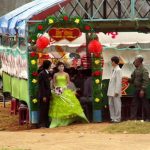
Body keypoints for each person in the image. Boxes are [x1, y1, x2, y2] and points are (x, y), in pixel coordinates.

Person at [49, 62, 89, 128]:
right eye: (60, 66)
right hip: (58, 90)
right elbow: (54, 83)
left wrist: (65, 87)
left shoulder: (66, 74)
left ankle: (71, 119)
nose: (61, 68)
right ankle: (59, 121)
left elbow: (68, 82)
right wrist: (57, 88)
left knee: (69, 105)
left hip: (65, 90)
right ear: (57, 67)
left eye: (62, 66)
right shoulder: (55, 74)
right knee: (59, 107)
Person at [129, 55, 150, 121]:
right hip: (136, 89)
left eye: (135, 61)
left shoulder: (144, 70)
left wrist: (142, 90)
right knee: (134, 104)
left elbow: (146, 80)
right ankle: (133, 118)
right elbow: (133, 79)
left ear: (139, 61)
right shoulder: (136, 70)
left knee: (145, 104)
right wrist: (129, 80)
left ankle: (148, 118)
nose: (134, 62)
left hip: (141, 89)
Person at [107, 56, 122, 123]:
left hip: (115, 91)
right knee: (111, 105)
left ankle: (117, 118)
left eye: (112, 61)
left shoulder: (118, 70)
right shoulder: (113, 70)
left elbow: (118, 81)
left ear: (114, 62)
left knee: (117, 105)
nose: (111, 63)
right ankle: (113, 118)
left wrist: (116, 91)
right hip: (110, 91)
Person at [38, 60, 52, 128]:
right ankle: (41, 124)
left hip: (47, 94)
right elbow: (41, 86)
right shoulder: (42, 74)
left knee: (46, 109)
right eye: (50, 65)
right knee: (43, 109)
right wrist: (43, 96)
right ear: (48, 66)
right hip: (44, 95)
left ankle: (46, 124)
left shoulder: (47, 73)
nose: (51, 66)